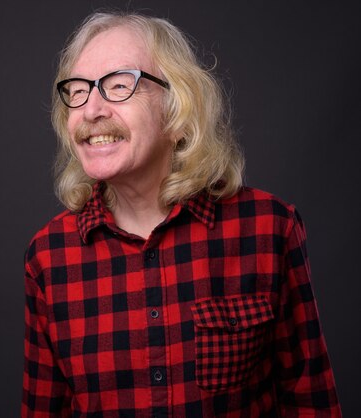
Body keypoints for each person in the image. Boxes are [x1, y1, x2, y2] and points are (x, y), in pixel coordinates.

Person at [21, 11, 341, 417]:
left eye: (120, 85)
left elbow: (311, 404)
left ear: (177, 112)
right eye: (78, 91)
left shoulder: (269, 229)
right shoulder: (48, 258)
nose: (91, 109)